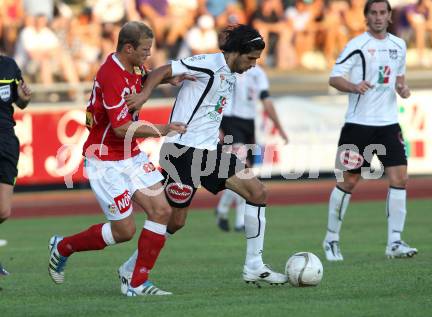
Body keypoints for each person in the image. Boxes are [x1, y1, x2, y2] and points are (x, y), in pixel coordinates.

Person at [118, 24, 288, 289]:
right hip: (182, 152)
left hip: (209, 151)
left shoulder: (231, 72)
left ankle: (254, 266)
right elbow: (164, 70)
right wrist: (143, 95)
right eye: (251, 58)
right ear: (237, 52)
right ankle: (130, 269)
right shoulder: (208, 64)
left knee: (257, 192)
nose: (254, 64)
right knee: (175, 221)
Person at [47, 21, 188, 296]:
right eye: (145, 49)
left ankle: (135, 282)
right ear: (128, 48)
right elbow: (122, 128)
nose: (148, 54)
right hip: (105, 159)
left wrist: (164, 79)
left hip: (130, 154)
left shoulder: (133, 65)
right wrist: (163, 129)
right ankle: (63, 246)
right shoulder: (110, 74)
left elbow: (145, 76)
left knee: (162, 210)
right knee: (124, 231)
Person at [322, 0, 418, 261]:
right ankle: (331, 239)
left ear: (389, 16)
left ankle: (395, 243)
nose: (378, 17)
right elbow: (334, 77)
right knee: (349, 181)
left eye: (382, 13)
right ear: (366, 17)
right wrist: (354, 86)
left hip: (388, 124)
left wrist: (403, 89)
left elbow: (399, 80)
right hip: (358, 125)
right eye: (373, 13)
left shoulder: (399, 45)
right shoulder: (357, 45)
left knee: (400, 178)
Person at [216, 64, 289, 232]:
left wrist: (280, 127)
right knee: (243, 171)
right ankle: (240, 221)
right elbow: (215, 98)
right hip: (229, 121)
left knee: (244, 172)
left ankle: (222, 209)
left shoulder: (258, 73)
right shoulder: (228, 68)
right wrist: (217, 127)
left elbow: (266, 101)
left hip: (248, 124)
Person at [0, 54, 32, 276]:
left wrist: (23, 98)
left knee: (3, 210)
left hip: (6, 139)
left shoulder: (9, 65)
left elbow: (21, 103)